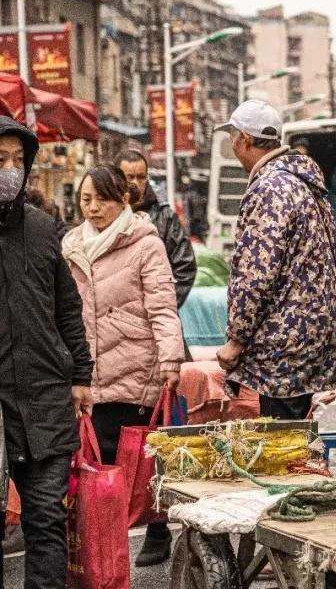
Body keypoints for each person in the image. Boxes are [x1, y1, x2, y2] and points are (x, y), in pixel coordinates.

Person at [61, 165, 184, 567]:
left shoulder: (146, 244)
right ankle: (105, 555)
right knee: (96, 473)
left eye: (102, 200)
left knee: (138, 462)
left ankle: (158, 525)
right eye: (85, 200)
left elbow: (163, 307)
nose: (93, 209)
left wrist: (170, 359)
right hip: (88, 374)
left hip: (135, 367)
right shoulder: (70, 244)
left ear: (124, 200)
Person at [0, 117, 93, 588]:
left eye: (19, 160)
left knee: (45, 520)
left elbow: (67, 308)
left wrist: (81, 376)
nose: (11, 170)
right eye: (1, 160)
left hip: (45, 398)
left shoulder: (43, 230)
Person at [213, 100, 336, 420]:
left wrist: (236, 339)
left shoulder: (270, 187)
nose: (232, 145)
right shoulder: (303, 181)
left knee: (281, 443)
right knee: (294, 434)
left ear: (245, 139)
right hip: (314, 326)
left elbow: (256, 274)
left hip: (285, 336)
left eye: (233, 138)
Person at [116, 149, 197, 310]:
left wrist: (161, 305)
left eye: (141, 177)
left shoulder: (165, 216)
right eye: (129, 177)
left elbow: (184, 266)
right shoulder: (106, 215)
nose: (136, 183)